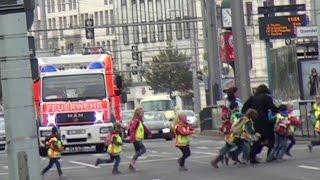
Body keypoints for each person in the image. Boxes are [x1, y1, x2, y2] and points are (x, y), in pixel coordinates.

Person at [242, 84, 278, 164]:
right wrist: (279, 110)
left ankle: (252, 157)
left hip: (254, 122)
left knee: (257, 140)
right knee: (271, 140)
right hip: (266, 122)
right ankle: (270, 156)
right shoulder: (267, 97)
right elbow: (273, 108)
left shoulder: (252, 98)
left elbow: (244, 109)